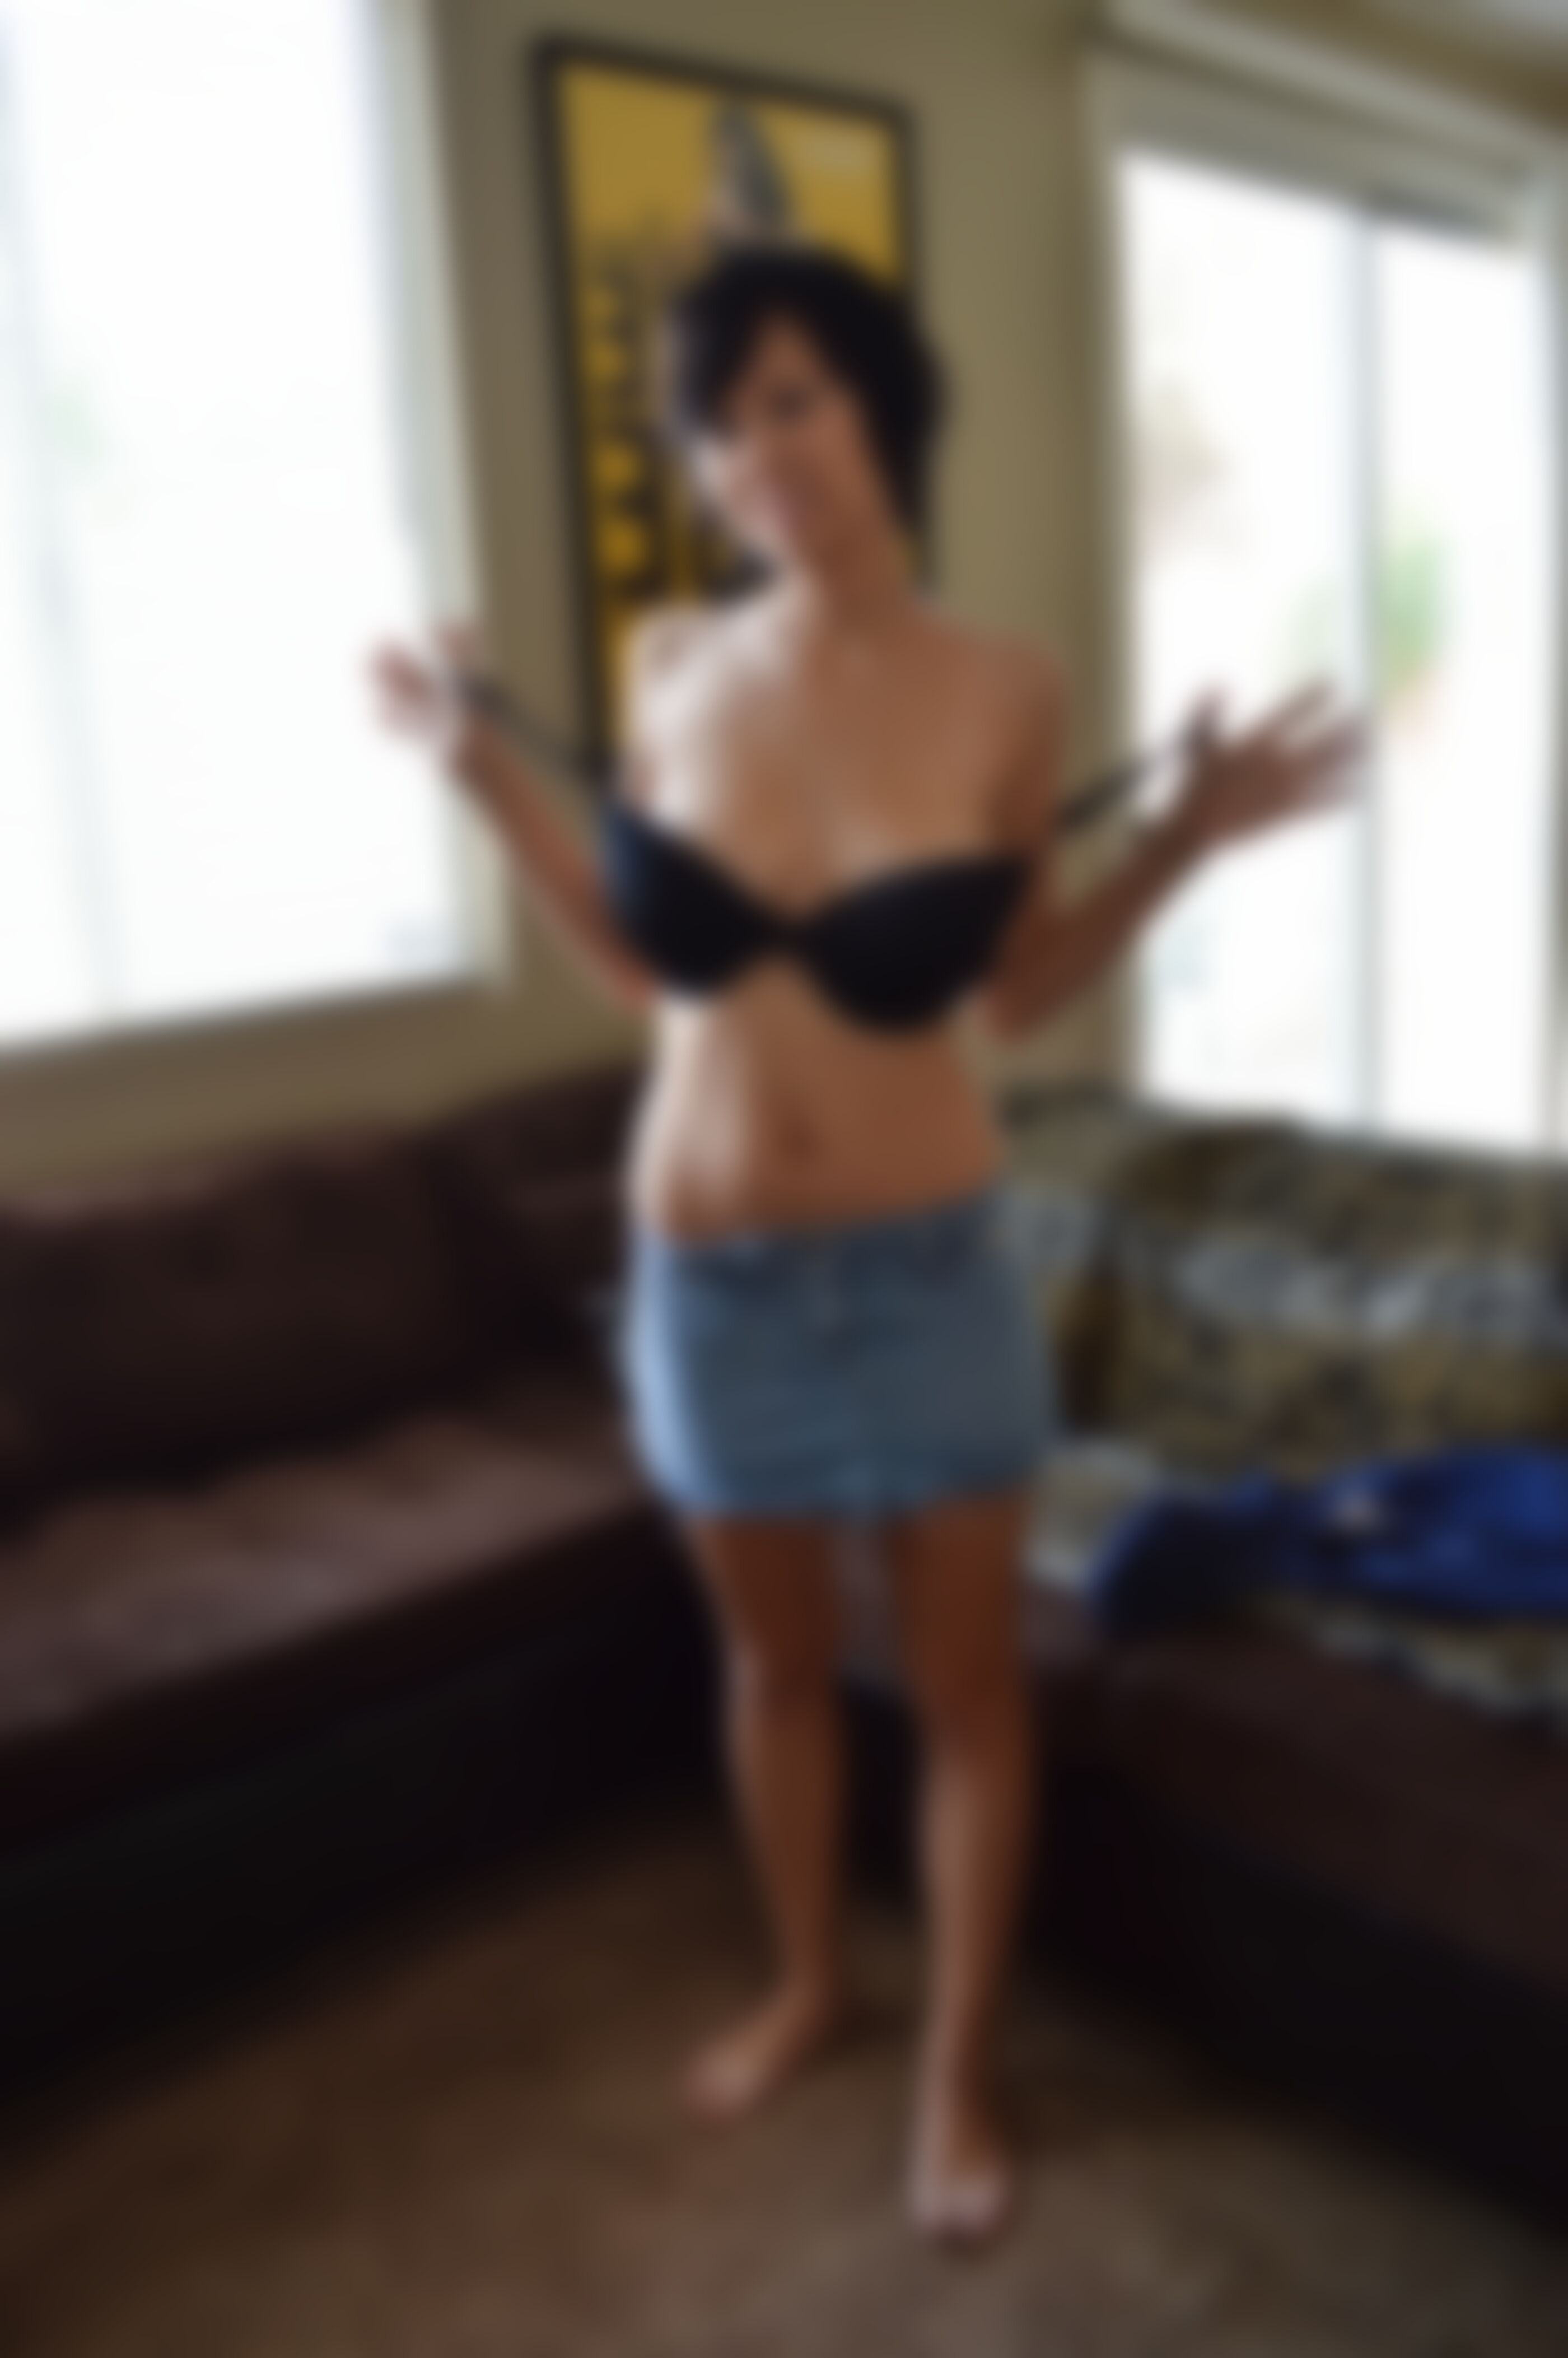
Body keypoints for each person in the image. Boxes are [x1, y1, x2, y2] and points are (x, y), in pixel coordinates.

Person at [367, 243, 1361, 2249]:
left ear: (883, 404)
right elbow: (646, 967)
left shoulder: (1010, 685)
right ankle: (814, 1979)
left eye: (790, 401)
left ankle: (954, 2067)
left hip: (928, 1274)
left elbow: (1017, 989)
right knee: (775, 1664)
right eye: (716, 429)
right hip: (709, 1284)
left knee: (973, 1693)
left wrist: (1184, 840)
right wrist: (477, 772)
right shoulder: (670, 663)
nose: (753, 458)